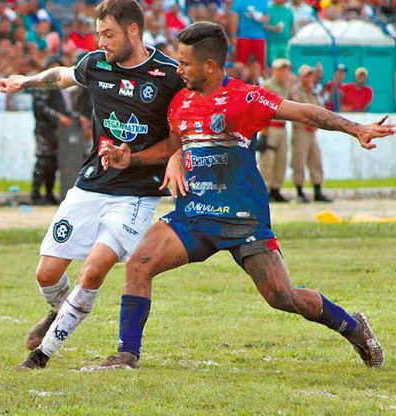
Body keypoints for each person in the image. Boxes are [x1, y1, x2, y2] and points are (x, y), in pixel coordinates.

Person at [94, 21, 391, 370]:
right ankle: (127, 356)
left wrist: (355, 128)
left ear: (209, 66)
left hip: (241, 216)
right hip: (194, 214)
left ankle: (353, 326)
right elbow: (173, 147)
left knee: (282, 296)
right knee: (139, 263)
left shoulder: (244, 97)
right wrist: (133, 159)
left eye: (185, 63)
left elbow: (305, 112)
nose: (179, 69)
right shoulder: (179, 102)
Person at [0, 0, 185, 370]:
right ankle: (61, 311)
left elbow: (177, 138)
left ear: (134, 30)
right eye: (99, 34)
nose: (101, 42)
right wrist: (26, 81)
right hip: (91, 184)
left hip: (138, 192)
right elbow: (62, 76)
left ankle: (41, 356)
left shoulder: (168, 75)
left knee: (93, 269)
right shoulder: (96, 64)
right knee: (47, 274)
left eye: (109, 34)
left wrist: (143, 158)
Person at [30, 56, 81, 206]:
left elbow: (65, 110)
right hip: (44, 129)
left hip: (56, 131)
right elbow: (41, 108)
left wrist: (78, 118)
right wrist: (59, 118)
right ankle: (35, 194)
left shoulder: (60, 88)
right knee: (43, 160)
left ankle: (49, 194)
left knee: (53, 162)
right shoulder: (42, 85)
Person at [291, 65, 332, 203]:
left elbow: (319, 110)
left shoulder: (312, 93)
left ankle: (318, 189)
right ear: (301, 77)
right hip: (301, 131)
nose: (309, 78)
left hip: (312, 132)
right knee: (299, 160)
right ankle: (299, 191)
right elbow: (297, 111)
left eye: (311, 75)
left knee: (316, 159)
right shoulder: (296, 92)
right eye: (306, 75)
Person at [258, 58, 293, 202]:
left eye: (286, 69)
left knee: (281, 159)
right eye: (280, 69)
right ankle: (264, 190)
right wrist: (263, 132)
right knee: (267, 159)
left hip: (282, 127)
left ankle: (276, 189)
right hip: (270, 126)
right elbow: (262, 108)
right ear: (274, 70)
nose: (283, 72)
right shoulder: (267, 85)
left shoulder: (287, 86)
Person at [231, 0, 268, 68]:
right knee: (241, 62)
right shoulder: (240, 1)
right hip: (244, 35)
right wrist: (234, 36)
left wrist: (260, 18)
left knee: (260, 63)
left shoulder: (262, 0)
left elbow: (267, 18)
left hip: (259, 36)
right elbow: (235, 19)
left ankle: (259, 81)